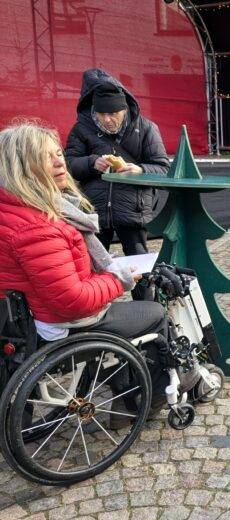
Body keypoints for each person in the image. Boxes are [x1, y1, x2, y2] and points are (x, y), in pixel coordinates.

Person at [0, 123, 168, 410]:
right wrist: (119, 280)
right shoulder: (39, 228)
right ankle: (143, 402)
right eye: (45, 157)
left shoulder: (14, 210)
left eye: (58, 153)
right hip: (60, 324)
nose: (59, 162)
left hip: (20, 318)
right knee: (155, 313)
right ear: (22, 168)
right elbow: (73, 301)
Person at [64, 69, 170, 300]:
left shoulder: (147, 128)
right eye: (102, 114)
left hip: (133, 207)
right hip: (93, 210)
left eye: (113, 113)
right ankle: (94, 309)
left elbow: (163, 168)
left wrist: (140, 170)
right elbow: (68, 165)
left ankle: (147, 310)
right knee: (90, 265)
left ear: (125, 109)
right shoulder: (82, 128)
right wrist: (92, 162)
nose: (107, 119)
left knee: (139, 263)